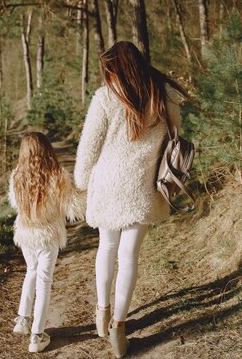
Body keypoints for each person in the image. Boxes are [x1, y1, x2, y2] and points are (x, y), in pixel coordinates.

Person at [74, 41, 184, 358]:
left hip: (107, 187)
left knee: (107, 249)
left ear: (114, 68)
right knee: (130, 257)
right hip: (143, 188)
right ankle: (118, 329)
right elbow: (176, 140)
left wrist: (81, 182)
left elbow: (88, 147)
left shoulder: (106, 98)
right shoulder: (164, 95)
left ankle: (102, 311)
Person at [9, 132, 85, 353]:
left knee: (31, 271)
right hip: (48, 235)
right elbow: (73, 209)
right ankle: (37, 334)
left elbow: (15, 205)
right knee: (44, 281)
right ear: (47, 149)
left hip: (26, 235)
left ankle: (22, 320)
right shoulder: (58, 175)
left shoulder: (17, 176)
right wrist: (84, 191)